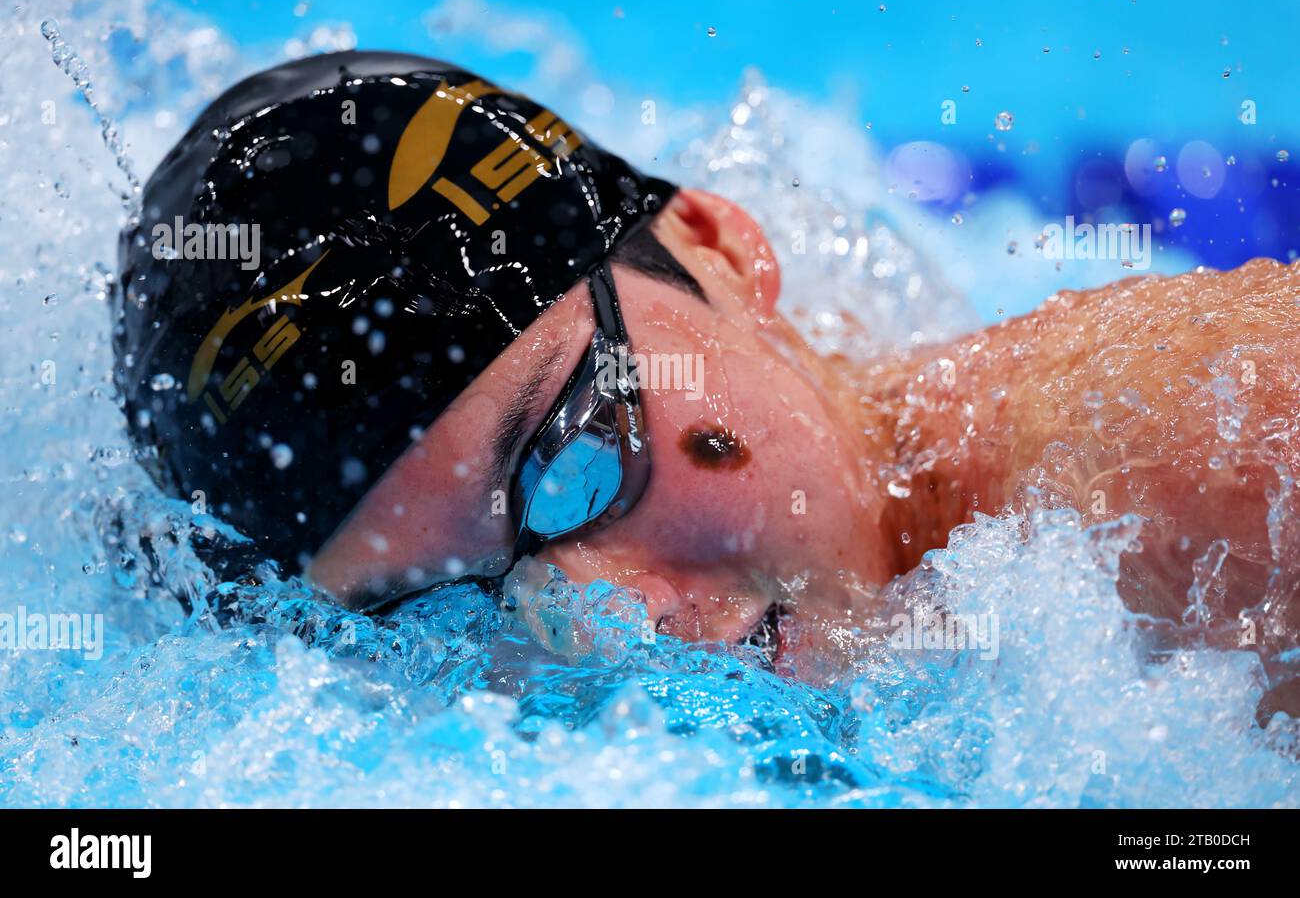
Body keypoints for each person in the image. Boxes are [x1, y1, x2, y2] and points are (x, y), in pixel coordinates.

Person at [116, 51, 1300, 674]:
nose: (603, 623)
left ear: (717, 246)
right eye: (447, 609)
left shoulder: (1207, 468)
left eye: (572, 466)